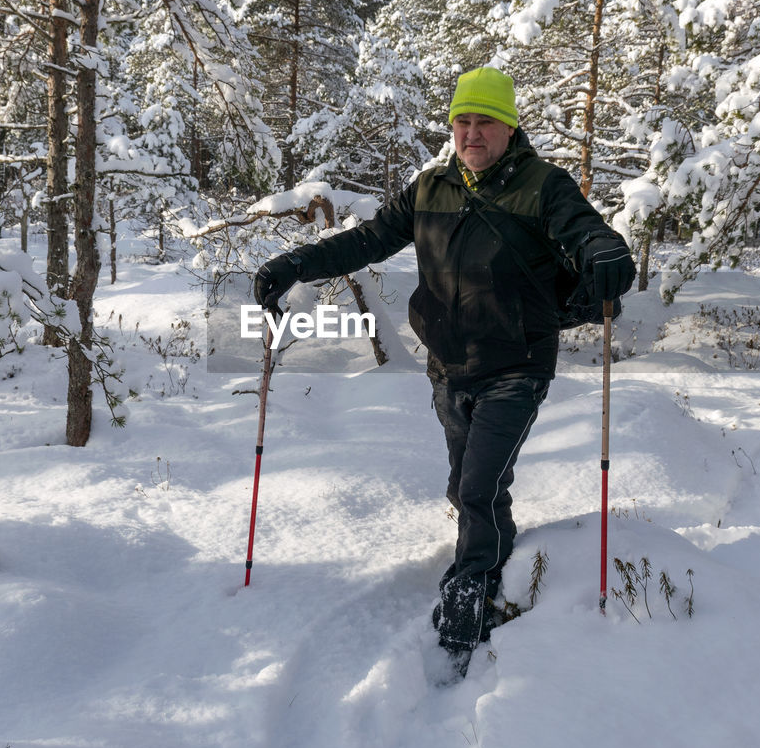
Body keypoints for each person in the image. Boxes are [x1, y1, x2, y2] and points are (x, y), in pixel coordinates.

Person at [254, 66, 635, 677]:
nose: (472, 133)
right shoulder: (429, 188)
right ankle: (501, 554)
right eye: (462, 121)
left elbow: (586, 232)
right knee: (466, 486)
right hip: (449, 366)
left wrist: (605, 249)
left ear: (510, 128)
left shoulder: (542, 186)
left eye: (485, 121)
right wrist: (299, 262)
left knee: (480, 486)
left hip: (517, 365)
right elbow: (370, 239)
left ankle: (471, 589)